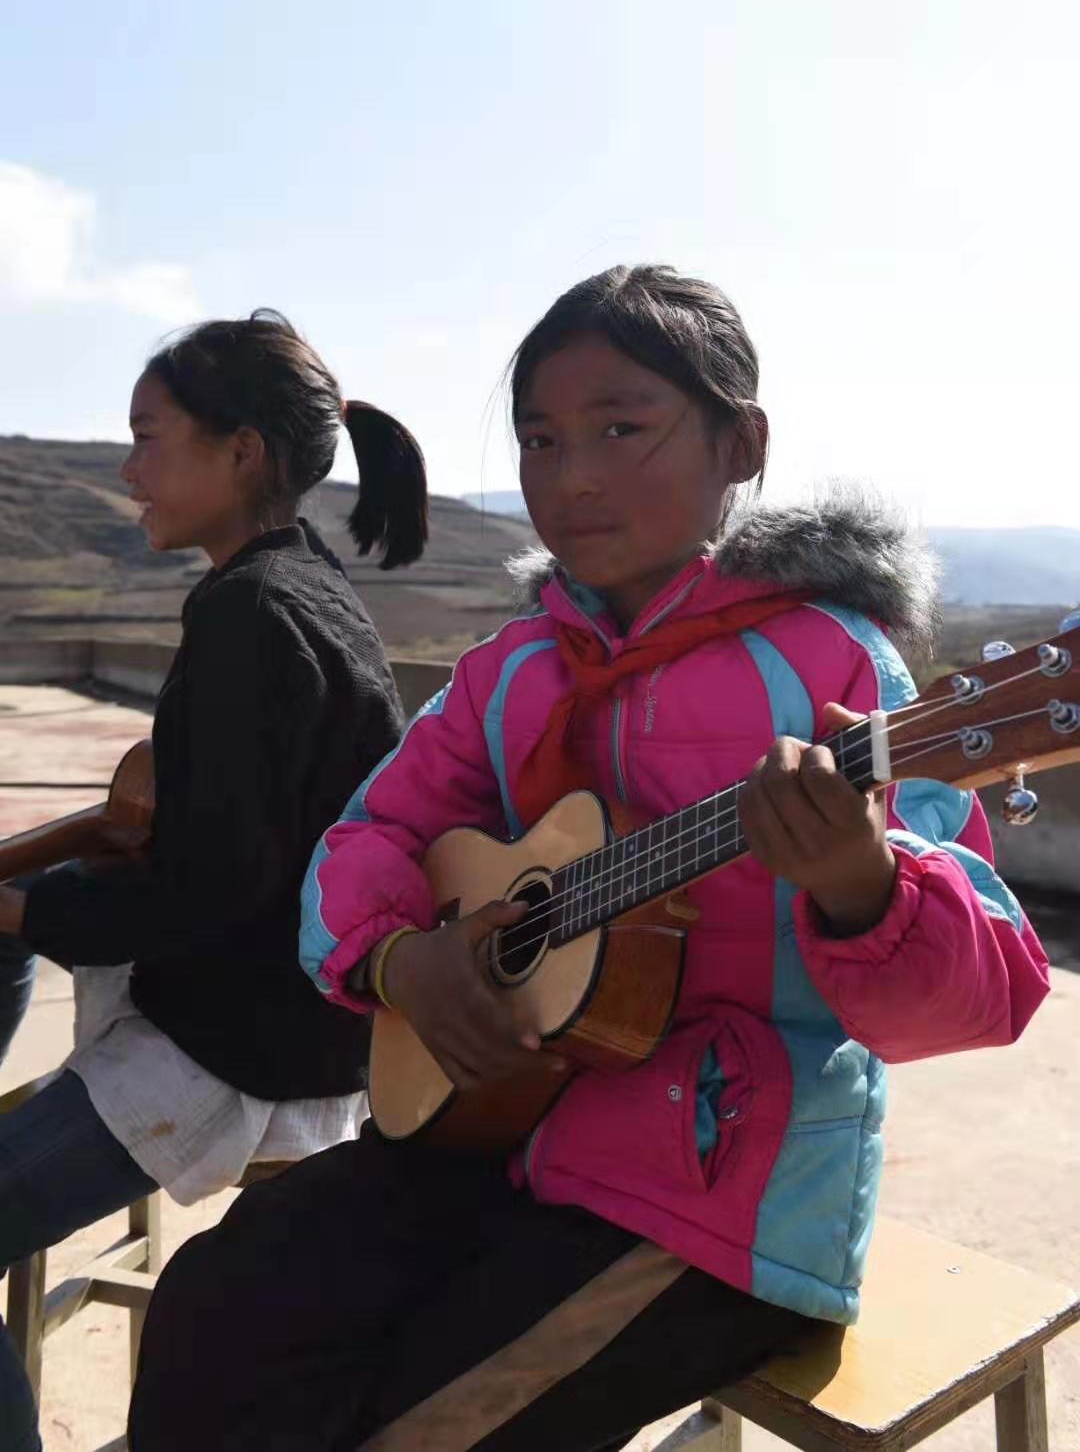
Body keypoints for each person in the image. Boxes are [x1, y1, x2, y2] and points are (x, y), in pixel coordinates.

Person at [128, 266, 1050, 1452]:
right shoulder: (512, 671)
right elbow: (367, 838)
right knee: (215, 1302)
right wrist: (403, 962)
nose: (573, 475)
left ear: (742, 442)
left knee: (429, 1419)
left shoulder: (838, 671)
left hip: (718, 1191)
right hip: (489, 1127)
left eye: (623, 428)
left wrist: (862, 888)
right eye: (540, 439)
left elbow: (991, 990)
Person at [0, 309, 427, 1452]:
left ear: (240, 452)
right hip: (303, 1028)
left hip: (233, 1051)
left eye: (150, 436)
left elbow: (216, 885)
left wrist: (31, 907)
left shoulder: (248, 614)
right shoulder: (309, 589)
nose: (130, 468)